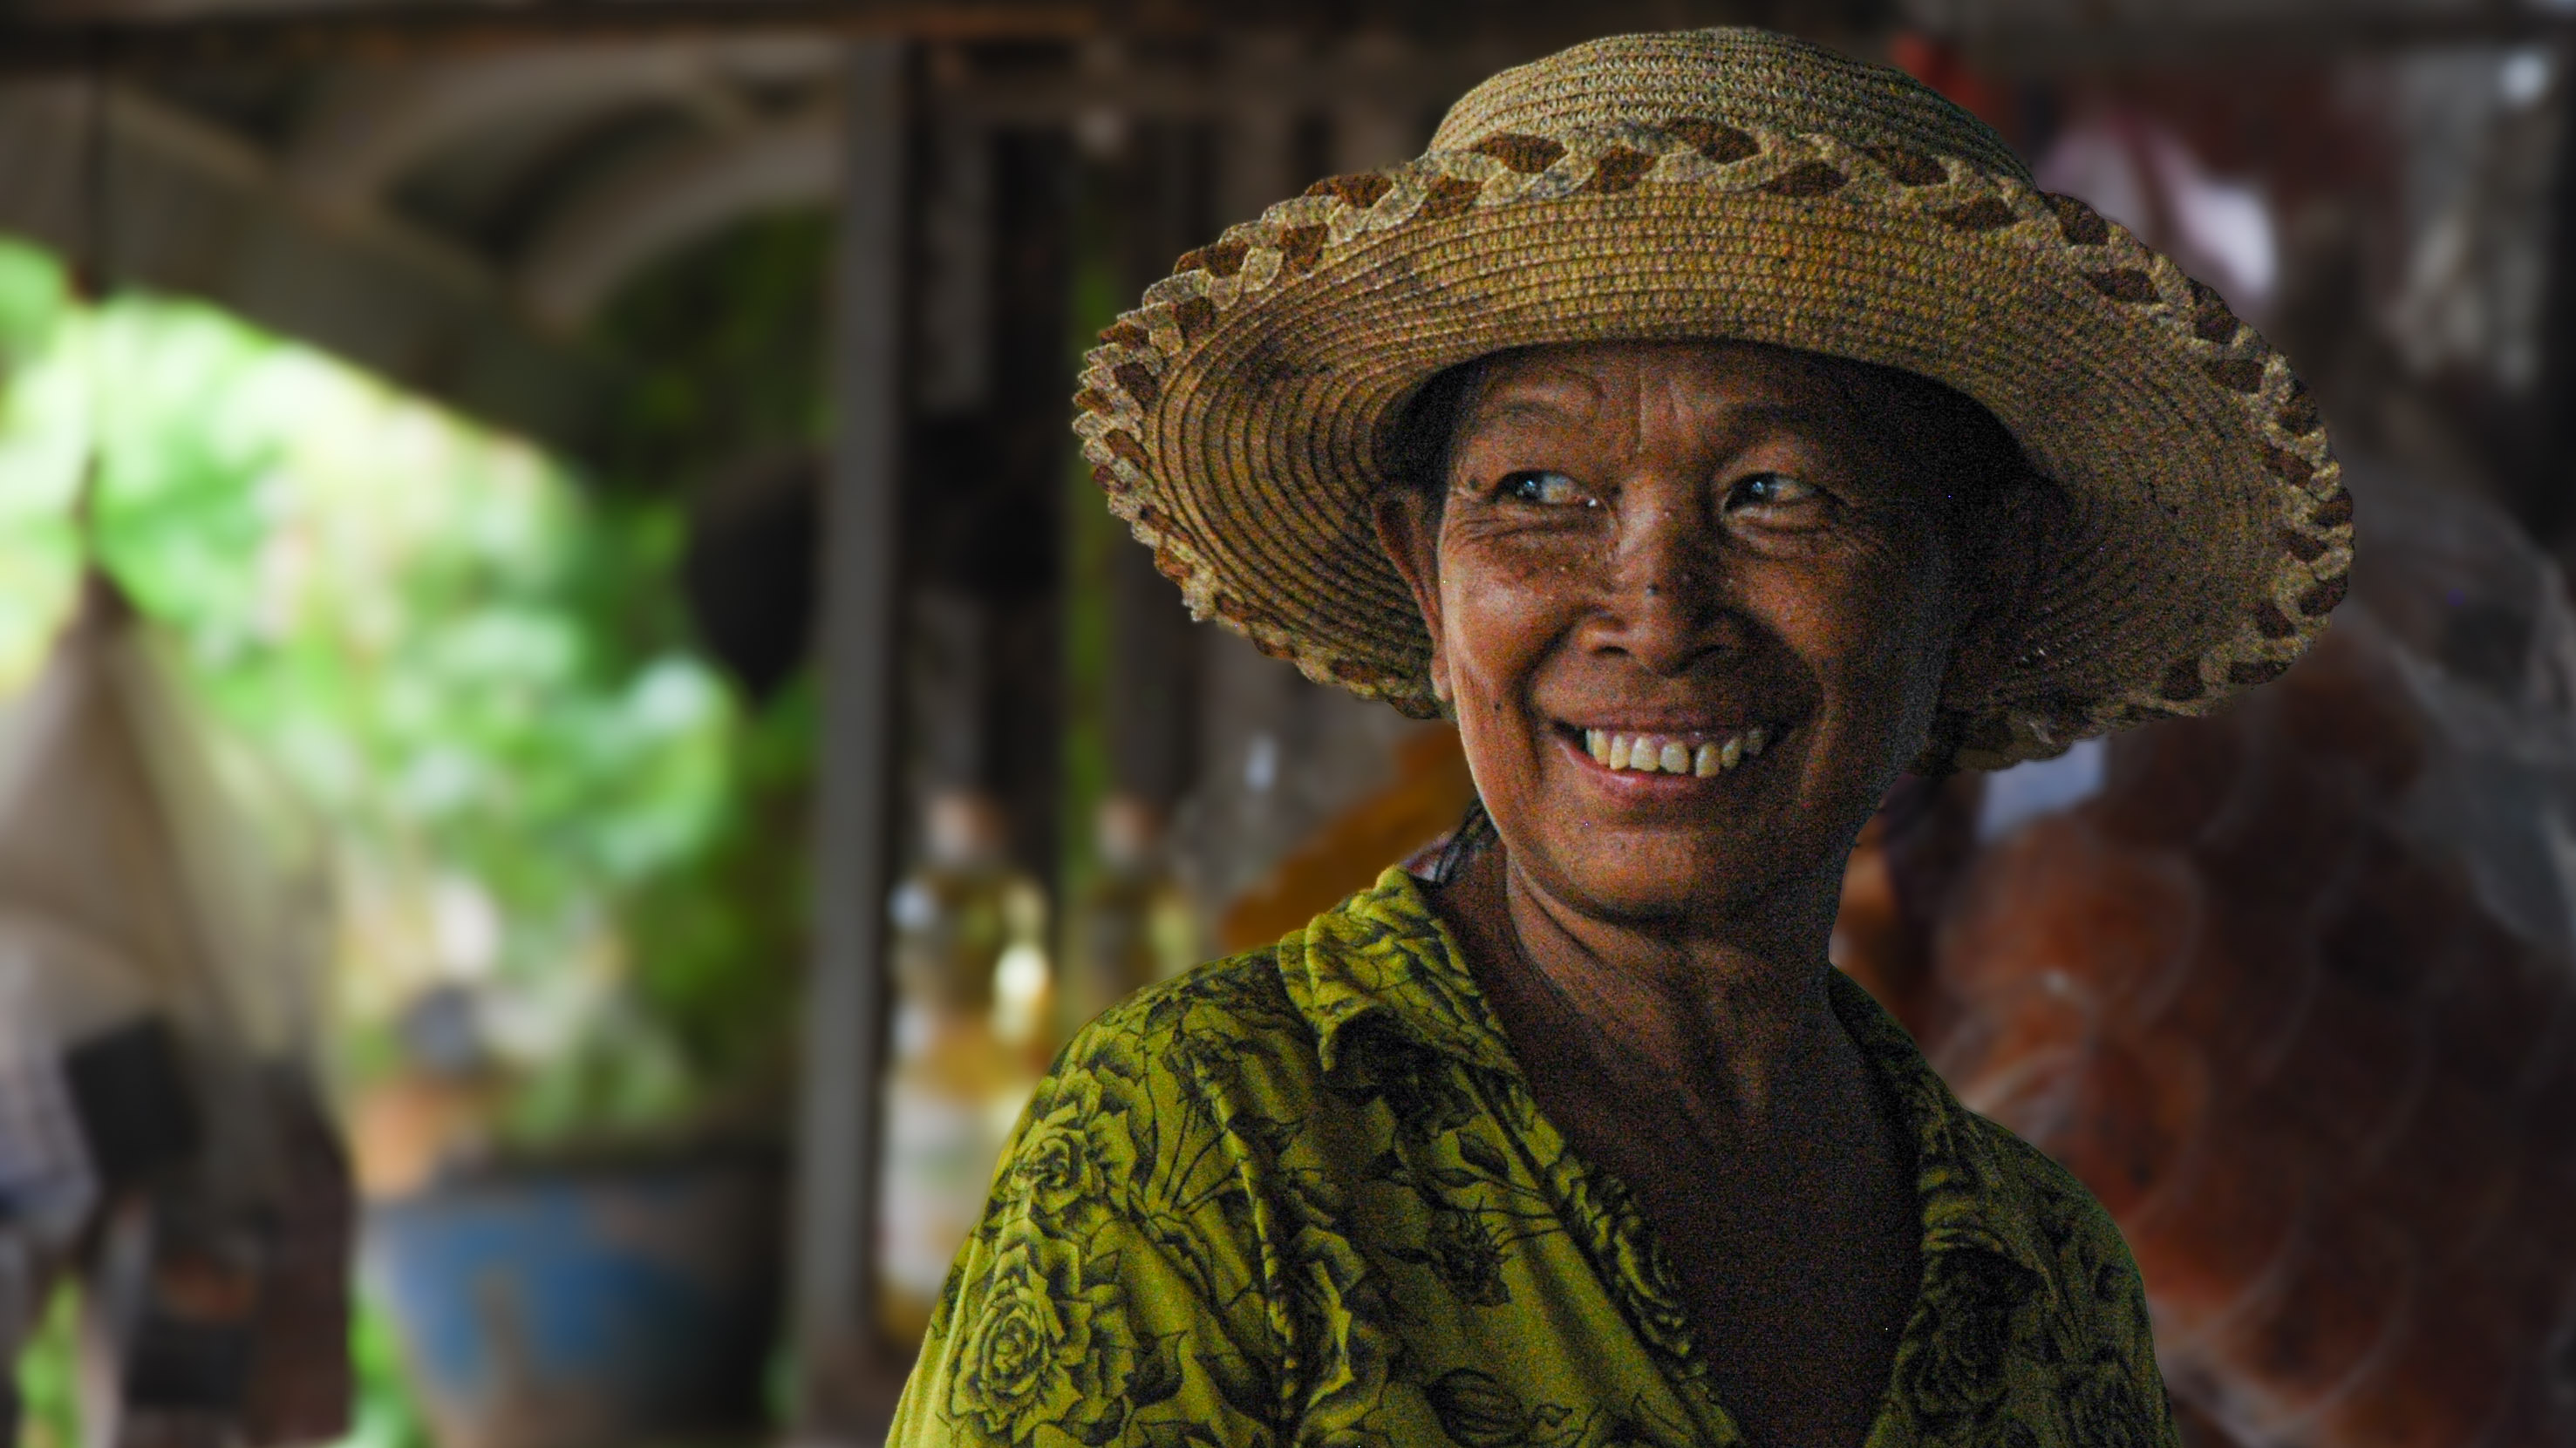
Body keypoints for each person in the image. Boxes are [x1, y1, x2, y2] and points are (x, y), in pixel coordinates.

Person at [889, 26, 2348, 1448]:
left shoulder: (2041, 1279)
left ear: (1981, 585)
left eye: (1776, 493)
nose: (1653, 613)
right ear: (1423, 571)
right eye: (1537, 488)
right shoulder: (1199, 1152)